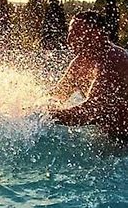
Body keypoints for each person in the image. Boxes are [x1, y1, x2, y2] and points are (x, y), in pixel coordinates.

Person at [49, 10, 128, 138]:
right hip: (116, 141)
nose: (69, 39)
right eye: (70, 33)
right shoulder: (81, 63)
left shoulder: (113, 60)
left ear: (97, 34)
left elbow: (92, 112)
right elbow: (58, 94)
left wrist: (46, 115)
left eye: (76, 33)